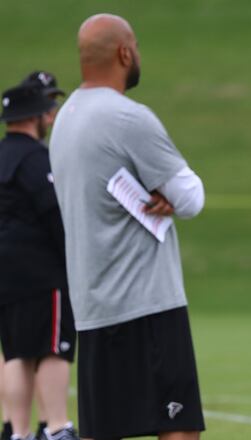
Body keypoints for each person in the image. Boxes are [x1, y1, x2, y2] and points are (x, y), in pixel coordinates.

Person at [49, 13, 205, 440]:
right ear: (124, 52)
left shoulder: (64, 119)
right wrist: (169, 197)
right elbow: (192, 198)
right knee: (179, 427)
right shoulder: (128, 118)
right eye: (135, 47)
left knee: (105, 430)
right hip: (148, 302)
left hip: (92, 307)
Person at [0, 82, 78, 440]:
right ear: (34, 117)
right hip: (40, 271)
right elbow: (53, 213)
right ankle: (58, 427)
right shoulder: (35, 158)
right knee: (52, 348)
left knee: (16, 352)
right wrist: (73, 258)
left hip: (6, 272)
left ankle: (18, 432)